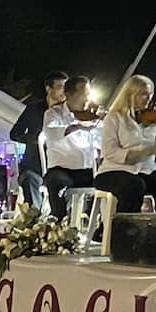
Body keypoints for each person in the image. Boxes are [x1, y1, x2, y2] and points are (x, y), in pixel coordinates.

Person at [95, 76, 156, 215]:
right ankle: (124, 225)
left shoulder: (154, 122)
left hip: (144, 172)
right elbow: (110, 151)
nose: (149, 98)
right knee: (134, 185)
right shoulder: (114, 118)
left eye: (151, 94)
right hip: (113, 171)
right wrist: (145, 152)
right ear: (130, 95)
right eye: (144, 94)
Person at [40, 75, 100, 217]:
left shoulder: (93, 115)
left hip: (88, 170)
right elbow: (51, 133)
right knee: (55, 182)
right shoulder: (53, 113)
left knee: (109, 183)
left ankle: (96, 222)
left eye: (89, 95)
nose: (87, 99)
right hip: (62, 170)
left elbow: (102, 141)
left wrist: (104, 121)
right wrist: (78, 126)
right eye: (83, 95)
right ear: (68, 94)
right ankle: (58, 221)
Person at [10, 72, 66, 212]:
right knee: (29, 180)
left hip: (60, 164)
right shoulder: (33, 109)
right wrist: (33, 139)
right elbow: (15, 133)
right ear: (48, 89)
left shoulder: (68, 112)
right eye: (60, 87)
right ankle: (35, 218)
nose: (64, 91)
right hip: (35, 165)